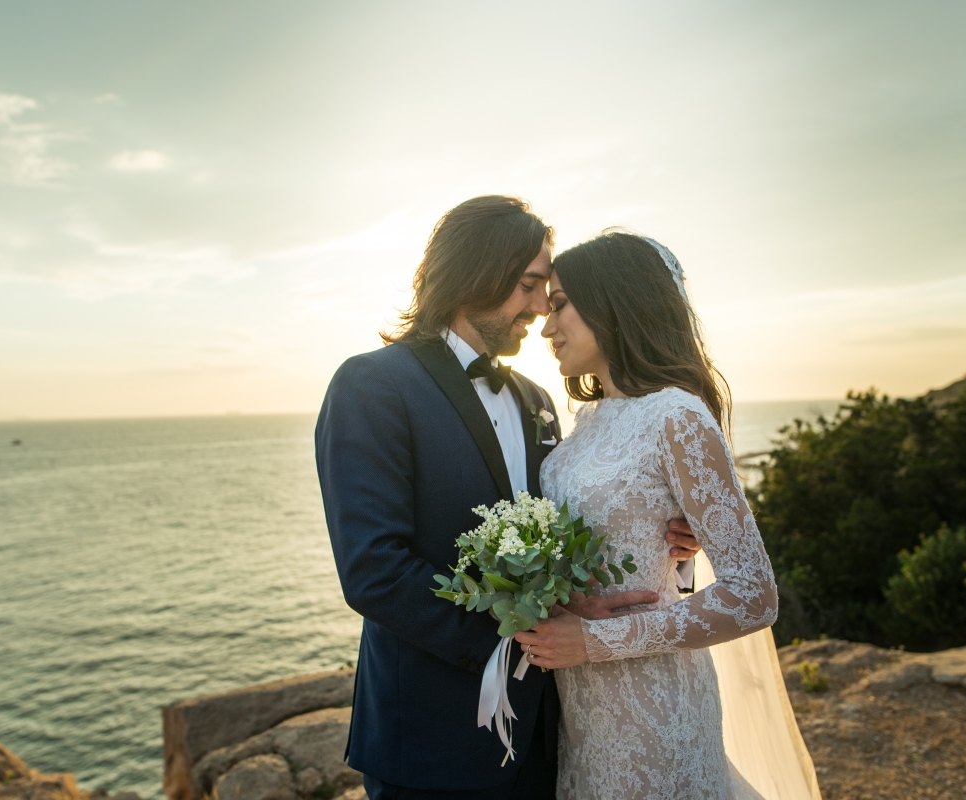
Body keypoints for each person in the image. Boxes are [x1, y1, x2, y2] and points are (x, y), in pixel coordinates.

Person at [314, 197, 702, 800]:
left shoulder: (537, 400)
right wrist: (525, 636)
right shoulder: (373, 386)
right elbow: (372, 571)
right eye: (529, 284)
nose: (544, 306)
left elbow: (582, 522)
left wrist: (673, 535)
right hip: (429, 737)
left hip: (547, 733)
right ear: (475, 274)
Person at [513, 231, 819, 799]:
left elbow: (755, 597)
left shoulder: (677, 415)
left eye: (559, 305)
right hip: (583, 713)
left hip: (655, 710)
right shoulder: (589, 419)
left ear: (613, 303)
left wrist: (593, 643)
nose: (547, 326)